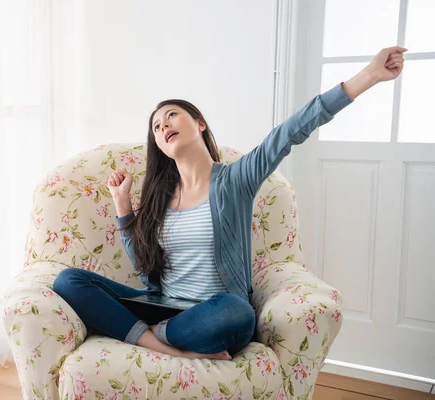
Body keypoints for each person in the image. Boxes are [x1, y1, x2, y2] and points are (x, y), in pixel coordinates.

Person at [53, 46, 407, 361]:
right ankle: (159, 343)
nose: (163, 127)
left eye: (171, 116)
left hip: (213, 316)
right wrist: (122, 206)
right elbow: (145, 270)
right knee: (69, 280)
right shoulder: (158, 195)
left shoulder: (235, 179)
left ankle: (143, 334)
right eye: (156, 127)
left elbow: (289, 132)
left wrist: (370, 76)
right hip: (162, 309)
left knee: (236, 311)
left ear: (200, 123)